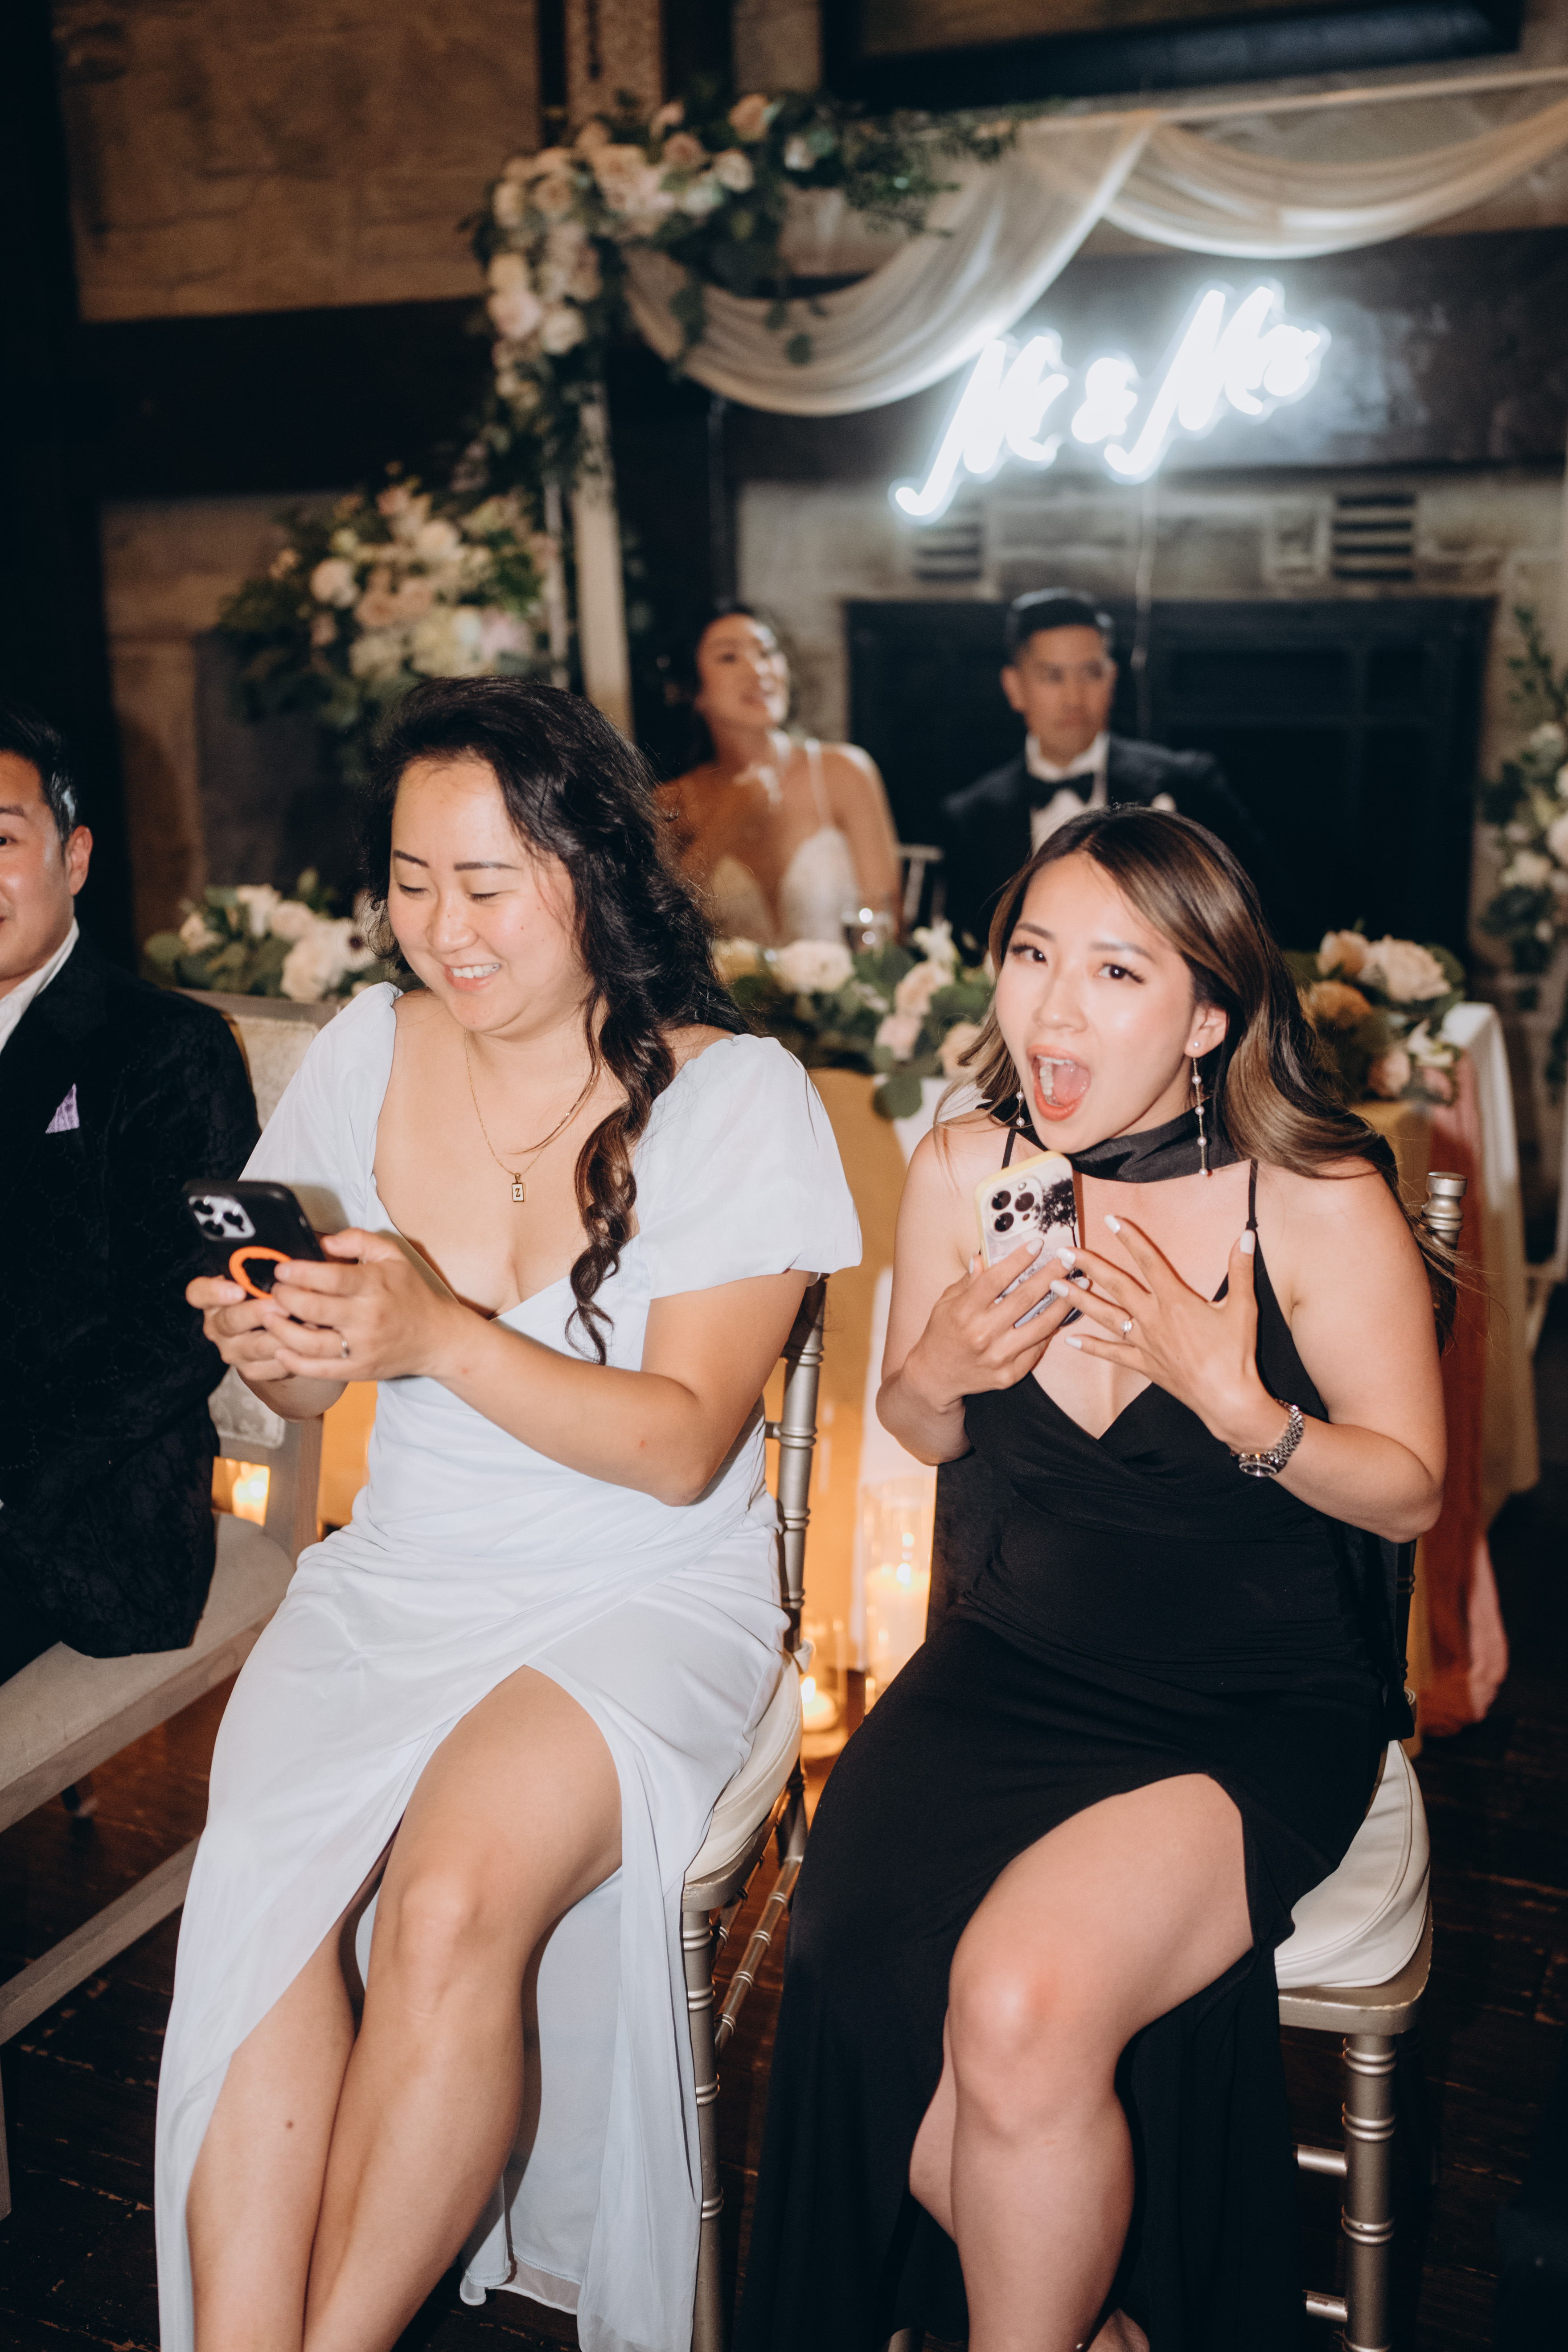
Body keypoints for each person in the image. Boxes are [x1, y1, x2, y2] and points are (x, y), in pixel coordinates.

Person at [154, 677, 860, 2352]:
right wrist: (286, 1350)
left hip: (643, 1588)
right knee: (260, 1882)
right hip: (405, 1568)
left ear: (591, 866)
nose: (442, 928)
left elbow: (681, 1448)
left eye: (485, 883)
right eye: (411, 881)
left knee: (452, 1896)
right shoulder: (364, 1048)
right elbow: (314, 1392)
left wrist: (437, 1336)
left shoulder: (735, 1096)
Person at [738, 805, 1451, 2352]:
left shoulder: (1309, 1192)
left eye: (1114, 971)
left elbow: (1406, 1487)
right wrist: (933, 1369)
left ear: (1204, 1017)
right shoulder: (961, 1164)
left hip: (1249, 1700)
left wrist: (1244, 1408)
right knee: (846, 1972)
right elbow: (920, 1426)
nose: (1050, 1009)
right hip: (1007, 1658)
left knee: (1016, 2000)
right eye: (1029, 955)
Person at [0, 701, 257, 1684]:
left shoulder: (165, 1049)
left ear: (74, 858)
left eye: (1, 838)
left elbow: (177, 1326)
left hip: (76, 1515)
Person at [939, 589, 1266, 951]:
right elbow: (964, 952)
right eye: (1053, 676)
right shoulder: (970, 818)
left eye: (1091, 673)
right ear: (1014, 687)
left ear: (1112, 679)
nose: (1074, 698)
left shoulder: (1190, 785)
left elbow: (1261, 915)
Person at [658, 605, 902, 945]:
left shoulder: (846, 772)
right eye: (729, 657)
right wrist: (728, 820)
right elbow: (658, 935)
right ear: (693, 690)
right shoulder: (671, 803)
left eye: (767, 652)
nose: (759, 670)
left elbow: (886, 926)